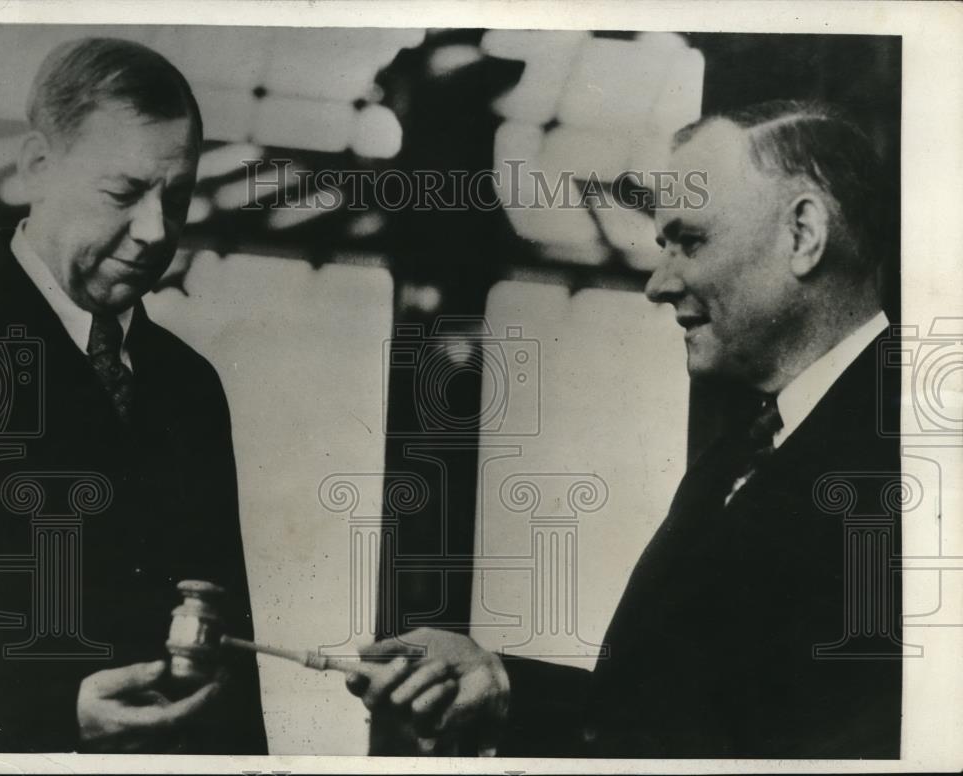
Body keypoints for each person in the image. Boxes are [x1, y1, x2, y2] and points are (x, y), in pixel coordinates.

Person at [347, 100, 902, 758]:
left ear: (804, 234)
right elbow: (693, 717)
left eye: (689, 241)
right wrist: (503, 687)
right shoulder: (743, 453)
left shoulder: (918, 461)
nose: (658, 284)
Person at [0, 37, 267, 753]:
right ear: (37, 167)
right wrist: (47, 718)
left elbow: (226, 658)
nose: (155, 232)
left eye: (175, 198)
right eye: (124, 194)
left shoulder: (190, 386)